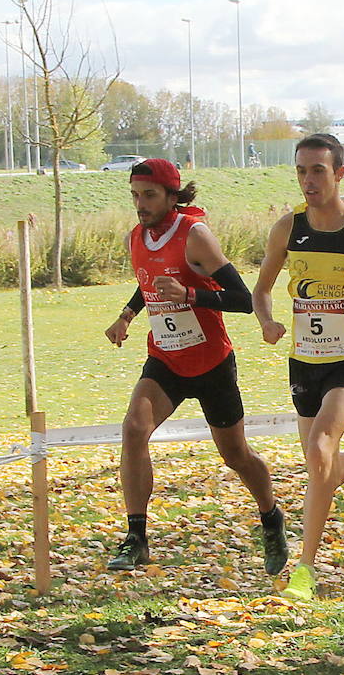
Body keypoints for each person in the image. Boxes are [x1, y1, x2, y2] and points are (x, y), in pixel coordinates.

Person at [102, 159, 287, 573]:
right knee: (134, 428)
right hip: (165, 358)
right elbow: (149, 281)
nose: (141, 204)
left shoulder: (194, 235)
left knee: (236, 455)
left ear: (173, 196)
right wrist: (126, 316)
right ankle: (136, 537)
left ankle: (271, 516)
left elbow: (242, 299)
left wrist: (189, 295)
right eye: (135, 195)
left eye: (150, 195)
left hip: (211, 362)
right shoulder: (136, 237)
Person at [251, 134, 344, 601]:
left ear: (339, 173)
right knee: (322, 468)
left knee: (320, 447)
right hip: (306, 361)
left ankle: (305, 569)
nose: (308, 180)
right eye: (301, 171)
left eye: (318, 170)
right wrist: (267, 321)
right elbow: (261, 289)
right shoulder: (288, 228)